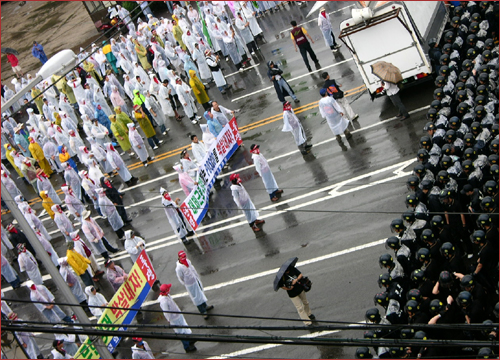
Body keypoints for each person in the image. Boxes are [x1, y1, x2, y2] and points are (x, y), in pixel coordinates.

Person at [158, 283, 198, 353]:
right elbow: (166, 312)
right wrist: (169, 320)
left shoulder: (167, 296)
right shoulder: (163, 301)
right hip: (174, 319)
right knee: (180, 332)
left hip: (178, 315)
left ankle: (189, 340)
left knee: (184, 327)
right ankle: (187, 347)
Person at [175, 250, 214, 319]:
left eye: (185, 256)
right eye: (182, 257)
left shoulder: (187, 261)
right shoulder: (179, 268)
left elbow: (192, 268)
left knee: (200, 293)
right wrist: (186, 283)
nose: (184, 258)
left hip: (195, 280)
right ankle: (202, 311)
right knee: (196, 297)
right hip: (190, 284)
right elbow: (180, 277)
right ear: (179, 257)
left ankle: (205, 306)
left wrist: (196, 276)